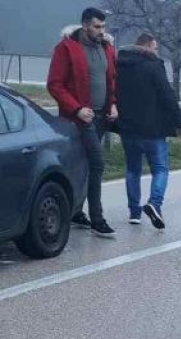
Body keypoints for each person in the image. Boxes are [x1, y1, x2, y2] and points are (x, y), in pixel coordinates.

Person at [47, 7, 118, 237]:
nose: (101, 31)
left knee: (83, 166)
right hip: (79, 118)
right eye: (97, 26)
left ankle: (75, 211)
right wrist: (77, 109)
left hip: (101, 118)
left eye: (103, 26)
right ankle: (97, 219)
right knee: (97, 164)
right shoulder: (66, 48)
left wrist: (113, 104)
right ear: (85, 25)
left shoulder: (107, 48)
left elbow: (111, 80)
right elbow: (55, 84)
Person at [115, 33, 181, 230]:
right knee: (160, 168)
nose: (157, 51)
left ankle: (134, 212)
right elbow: (167, 94)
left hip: (127, 127)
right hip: (152, 128)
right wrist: (179, 122)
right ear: (146, 47)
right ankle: (155, 203)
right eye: (155, 48)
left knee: (132, 170)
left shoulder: (119, 65)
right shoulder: (153, 65)